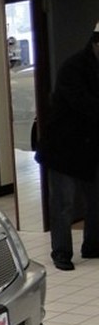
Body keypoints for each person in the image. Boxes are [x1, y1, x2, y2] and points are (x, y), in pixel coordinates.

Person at [36, 23, 99, 271]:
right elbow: (84, 105)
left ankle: (93, 245)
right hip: (63, 148)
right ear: (96, 43)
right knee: (64, 204)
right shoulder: (73, 68)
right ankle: (61, 252)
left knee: (95, 200)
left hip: (90, 148)